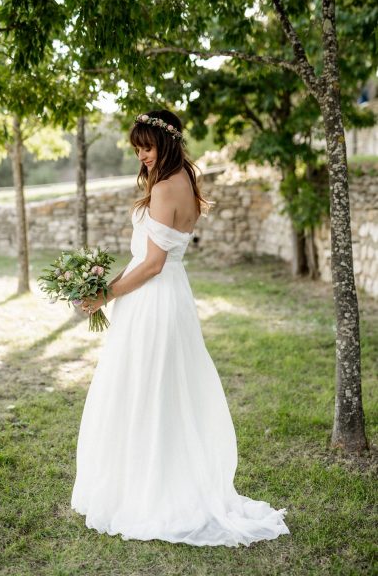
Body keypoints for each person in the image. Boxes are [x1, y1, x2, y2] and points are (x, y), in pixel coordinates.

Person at [71, 109, 290, 547]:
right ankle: (158, 476)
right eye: (137, 148)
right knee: (161, 388)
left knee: (146, 387)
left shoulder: (166, 188)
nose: (142, 155)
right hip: (170, 296)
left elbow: (152, 265)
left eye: (147, 147)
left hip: (153, 299)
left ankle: (152, 491)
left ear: (166, 143)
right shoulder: (185, 182)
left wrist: (104, 294)